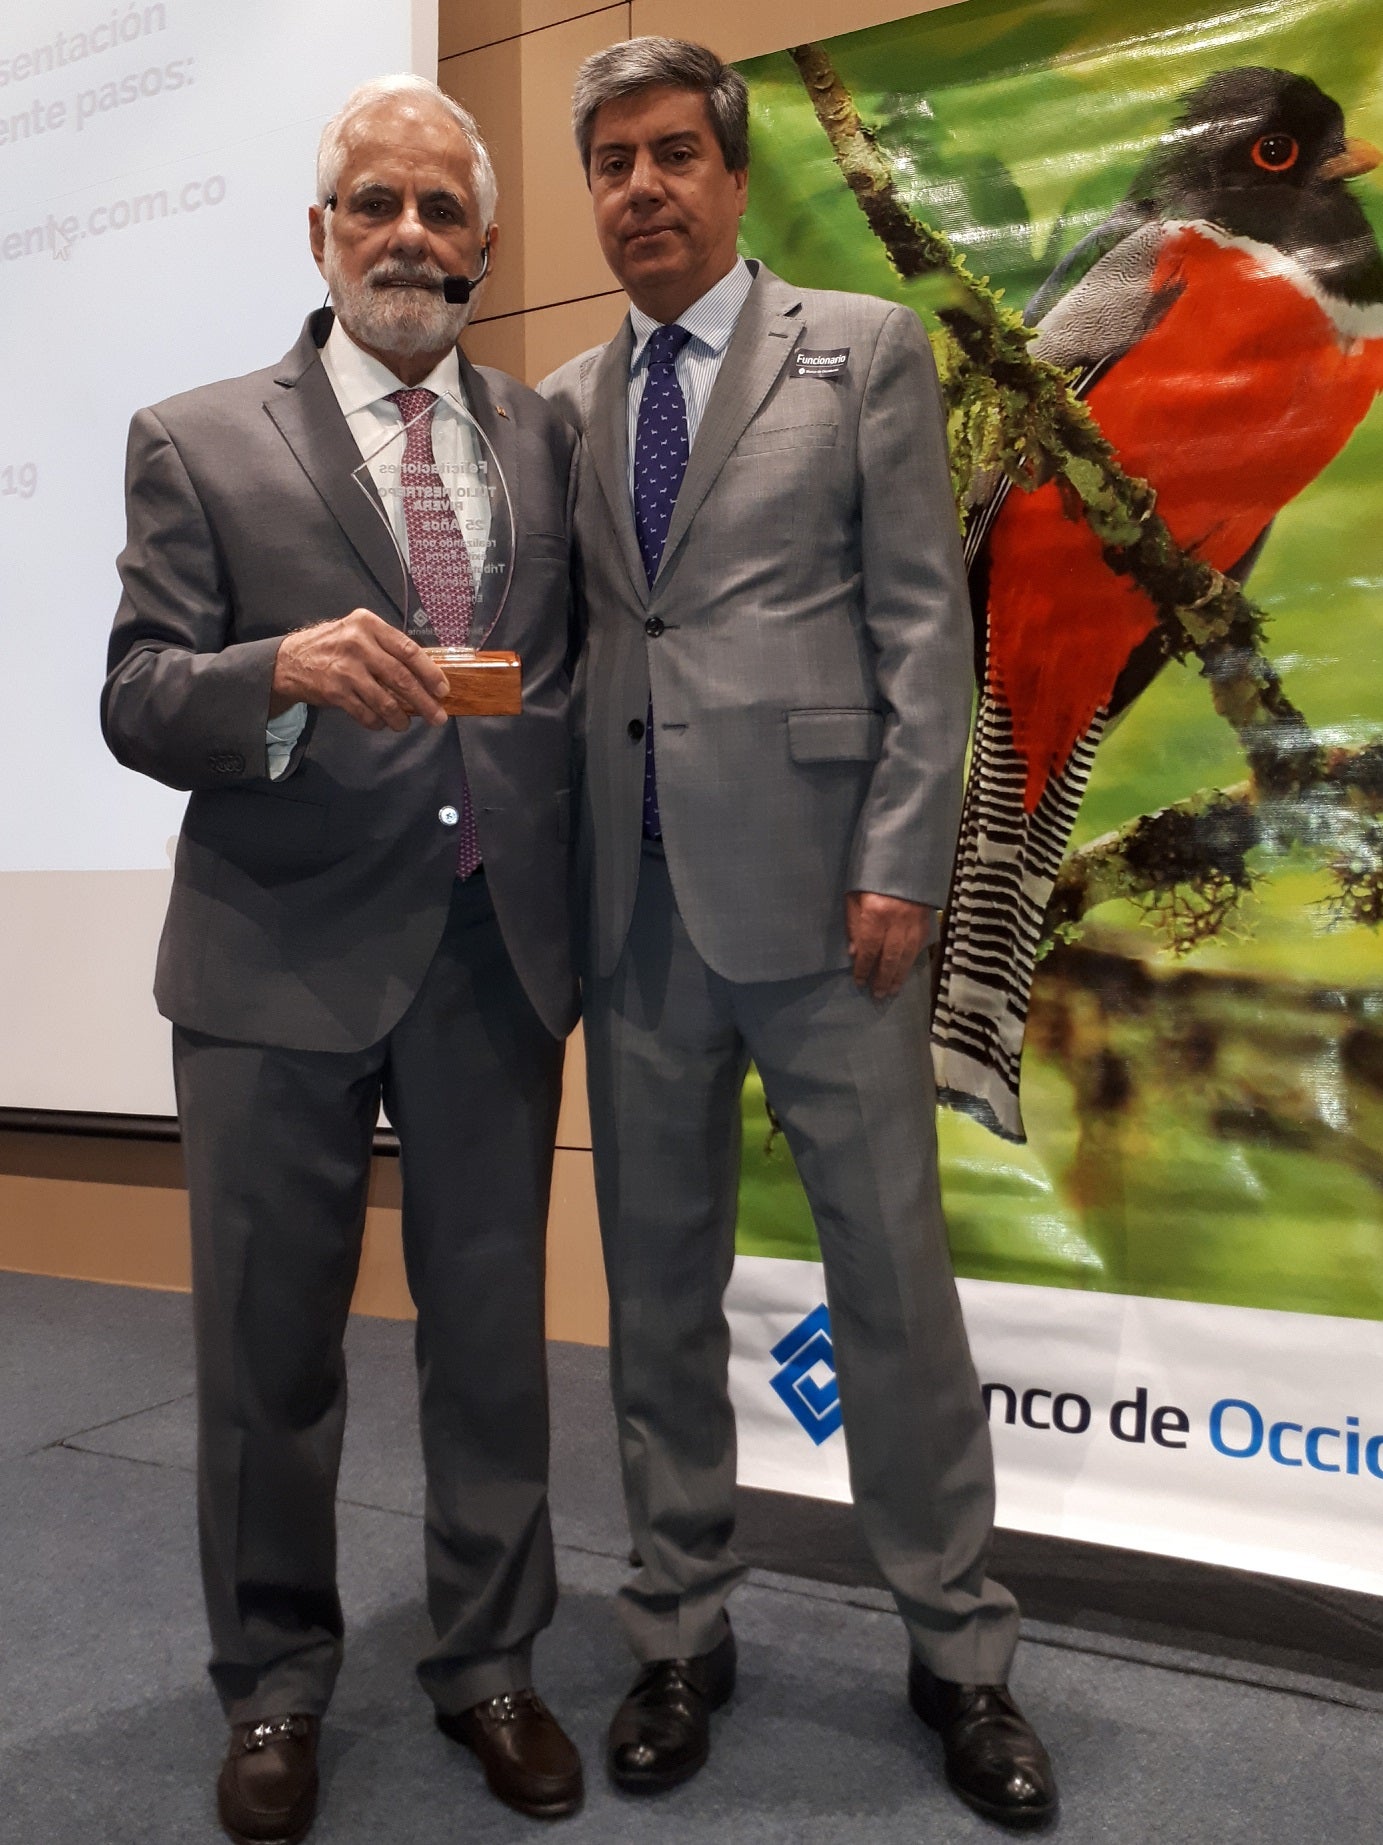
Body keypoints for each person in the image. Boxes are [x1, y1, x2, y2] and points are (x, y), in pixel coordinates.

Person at [541, 37, 1058, 1830]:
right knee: (657, 1294)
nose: (641, 188)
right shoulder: (565, 398)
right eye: (611, 162)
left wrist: (904, 858)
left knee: (893, 1289)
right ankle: (678, 1628)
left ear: (734, 171)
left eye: (672, 153)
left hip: (840, 914)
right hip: (636, 918)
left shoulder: (863, 347)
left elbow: (925, 624)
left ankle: (961, 1651)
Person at [103, 74, 584, 1844]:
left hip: (489, 955)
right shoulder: (196, 437)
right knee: (268, 1355)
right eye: (374, 203)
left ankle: (491, 1661)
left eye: (441, 209)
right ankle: (274, 1684)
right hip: (274, 961)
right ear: (319, 233)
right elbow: (138, 695)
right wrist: (278, 677)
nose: (408, 234)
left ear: (485, 245)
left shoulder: (545, 439)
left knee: (495, 1343)